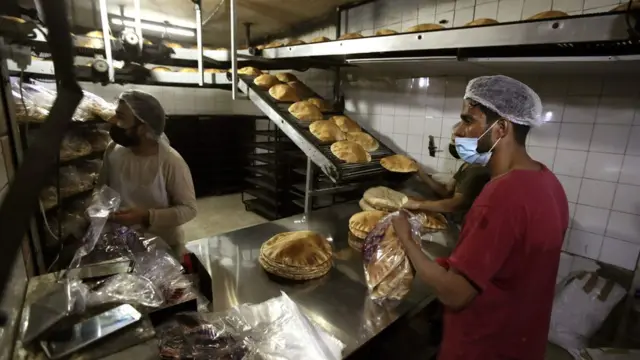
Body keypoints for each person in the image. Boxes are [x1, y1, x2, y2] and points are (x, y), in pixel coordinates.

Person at [392, 75, 569, 360]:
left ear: (501, 128)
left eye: (468, 120)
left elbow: (455, 294)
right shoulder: (549, 183)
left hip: (483, 346)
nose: (459, 131)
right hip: (522, 343)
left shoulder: (502, 195)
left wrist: (406, 237)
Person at [98, 90, 197, 256]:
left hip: (163, 249)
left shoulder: (170, 161)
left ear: (143, 128)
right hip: (120, 243)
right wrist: (98, 209)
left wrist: (146, 216)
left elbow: (189, 210)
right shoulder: (113, 150)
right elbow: (101, 189)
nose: (112, 121)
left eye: (120, 118)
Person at [404, 125, 491, 224]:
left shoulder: (477, 170)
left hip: (466, 224)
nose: (454, 147)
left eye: (457, 143)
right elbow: (446, 191)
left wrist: (418, 204)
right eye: (453, 142)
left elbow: (455, 204)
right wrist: (420, 172)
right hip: (456, 220)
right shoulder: (466, 165)